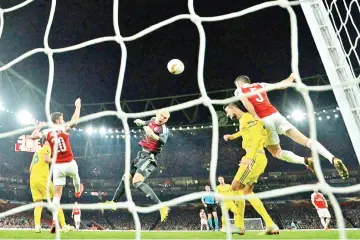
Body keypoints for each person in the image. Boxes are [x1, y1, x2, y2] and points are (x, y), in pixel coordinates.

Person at [234, 74, 349, 179]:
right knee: (306, 141)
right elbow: (283, 85)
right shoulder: (260, 85)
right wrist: (292, 76)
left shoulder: (239, 89)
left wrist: (255, 116)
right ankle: (332, 158)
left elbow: (245, 101)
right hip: (276, 115)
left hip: (264, 120)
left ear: (239, 83)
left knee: (276, 152)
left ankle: (305, 161)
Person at [223, 102, 279, 235]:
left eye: (227, 112)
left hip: (254, 157)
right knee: (246, 191)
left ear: (233, 108)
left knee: (235, 188)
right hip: (258, 158)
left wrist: (249, 156)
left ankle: (239, 226)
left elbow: (258, 136)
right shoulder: (246, 119)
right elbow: (246, 132)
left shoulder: (248, 117)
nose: (228, 115)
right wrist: (233, 136)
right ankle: (270, 224)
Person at [30, 98, 84, 233]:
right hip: (65, 165)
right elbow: (75, 120)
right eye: (62, 118)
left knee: (54, 198)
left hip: (53, 170)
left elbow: (33, 137)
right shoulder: (63, 130)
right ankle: (64, 224)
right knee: (76, 178)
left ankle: (39, 226)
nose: (64, 119)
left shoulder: (47, 135)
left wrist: (39, 127)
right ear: (58, 121)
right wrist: (77, 107)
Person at [106, 109, 170, 222]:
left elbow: (158, 138)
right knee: (126, 178)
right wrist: (141, 122)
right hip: (140, 155)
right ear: (156, 114)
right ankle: (113, 203)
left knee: (136, 182)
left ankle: (161, 206)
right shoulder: (153, 120)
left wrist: (147, 130)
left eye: (165, 117)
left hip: (150, 158)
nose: (162, 118)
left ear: (167, 120)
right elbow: (146, 123)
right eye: (161, 115)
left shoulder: (164, 129)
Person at [29, 138, 74, 233]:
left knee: (38, 204)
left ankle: (37, 227)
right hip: (43, 179)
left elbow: (30, 169)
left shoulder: (36, 153)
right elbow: (46, 159)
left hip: (33, 180)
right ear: (45, 142)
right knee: (56, 199)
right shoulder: (46, 148)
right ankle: (64, 226)